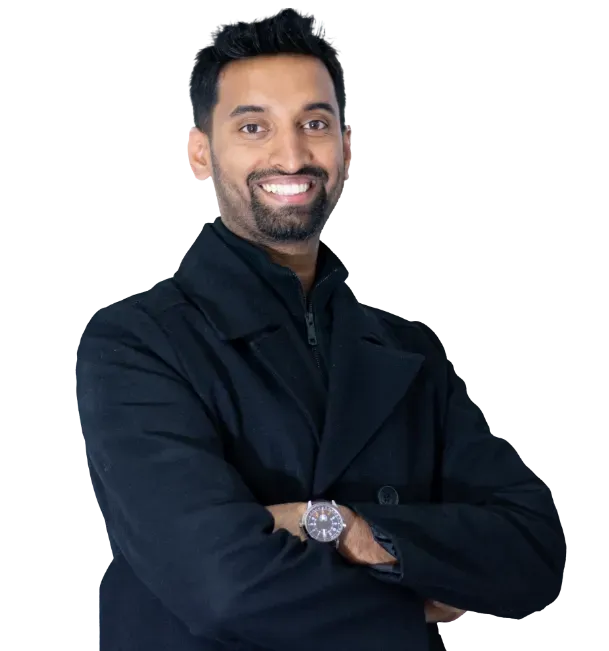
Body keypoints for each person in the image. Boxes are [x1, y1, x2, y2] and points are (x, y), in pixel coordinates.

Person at [73, 10, 567, 651]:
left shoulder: (413, 352)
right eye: (253, 127)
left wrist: (342, 525)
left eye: (314, 124)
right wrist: (417, 593)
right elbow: (223, 587)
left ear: (346, 148)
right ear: (200, 153)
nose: (291, 155)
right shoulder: (132, 345)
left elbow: (538, 553)